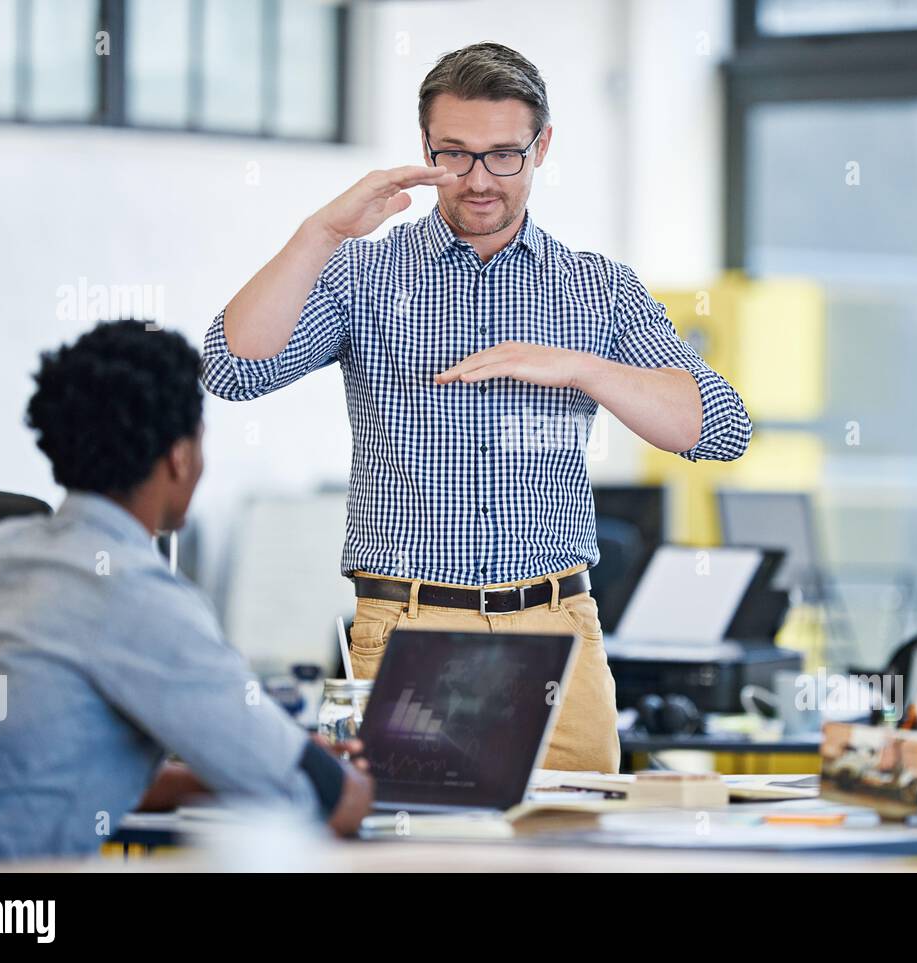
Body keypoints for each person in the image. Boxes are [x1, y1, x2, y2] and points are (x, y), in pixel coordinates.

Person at [201, 42, 752, 773]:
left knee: (580, 849)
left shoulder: (597, 289)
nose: (479, 180)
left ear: (541, 145)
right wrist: (321, 232)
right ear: (425, 148)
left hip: (560, 628)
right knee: (413, 849)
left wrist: (582, 369)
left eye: (503, 156)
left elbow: (720, 428)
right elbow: (231, 369)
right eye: (454, 155)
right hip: (409, 625)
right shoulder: (362, 275)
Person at [0, 321, 373, 859]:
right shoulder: (136, 594)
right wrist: (344, 776)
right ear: (179, 455)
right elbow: (332, 800)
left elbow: (26, 782)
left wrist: (212, 773)